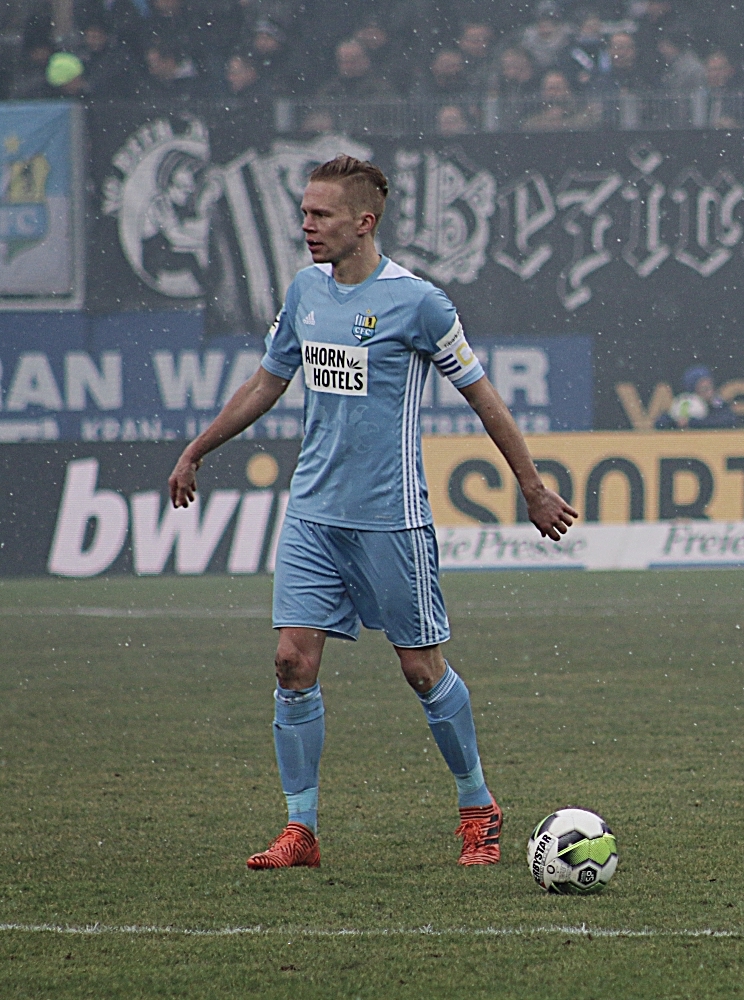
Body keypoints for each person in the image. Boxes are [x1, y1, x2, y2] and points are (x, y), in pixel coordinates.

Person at [166, 155, 577, 870]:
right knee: (292, 660)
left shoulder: (419, 304)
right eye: (303, 212)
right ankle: (301, 830)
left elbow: (483, 397)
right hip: (312, 515)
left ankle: (479, 806)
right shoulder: (304, 293)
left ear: (365, 221)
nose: (306, 226)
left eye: (321, 215)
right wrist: (198, 448)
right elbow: (268, 381)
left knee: (421, 670)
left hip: (391, 519)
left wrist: (532, 486)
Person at [654, 366, 740, 429]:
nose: (709, 392)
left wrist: (693, 422)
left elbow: (728, 420)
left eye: (710, 387)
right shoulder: (685, 404)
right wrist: (676, 423)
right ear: (693, 391)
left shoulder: (717, 403)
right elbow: (660, 423)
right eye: (704, 389)